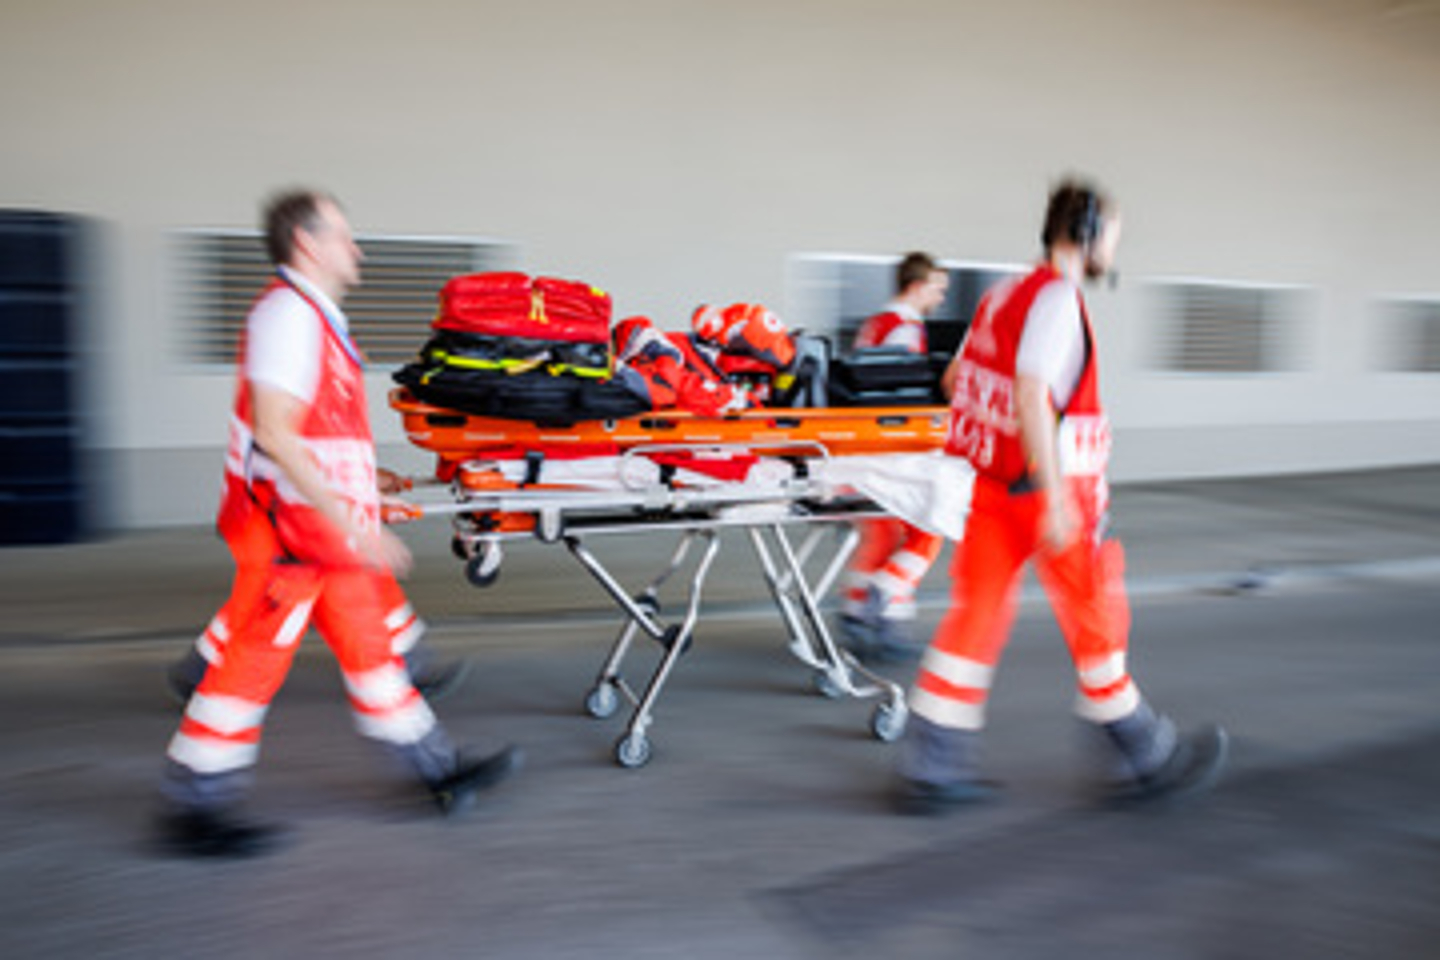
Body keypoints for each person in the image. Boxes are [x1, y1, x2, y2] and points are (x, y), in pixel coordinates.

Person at [155, 190, 520, 857]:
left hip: (320, 530)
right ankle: (192, 806)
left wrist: (365, 487)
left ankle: (438, 772)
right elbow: (276, 432)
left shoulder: (314, 319)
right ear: (306, 243)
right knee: (250, 667)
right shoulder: (287, 318)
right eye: (344, 237)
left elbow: (319, 435)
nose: (357, 250)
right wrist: (358, 527)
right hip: (291, 532)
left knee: (374, 658)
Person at [894, 180, 1227, 814]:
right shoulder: (1056, 298)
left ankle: (930, 764)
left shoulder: (1003, 293)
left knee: (975, 616)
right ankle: (1142, 751)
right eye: (1114, 237)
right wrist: (1055, 496)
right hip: (1046, 491)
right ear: (1090, 232)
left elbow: (954, 376)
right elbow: (1029, 390)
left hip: (993, 488)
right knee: (1096, 616)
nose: (1114, 250)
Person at [165, 467, 470, 707]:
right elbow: (293, 448)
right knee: (269, 601)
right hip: (283, 504)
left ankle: (408, 665)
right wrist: (356, 496)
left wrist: (363, 482)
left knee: (361, 579)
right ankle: (202, 681)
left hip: (289, 500)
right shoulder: (298, 390)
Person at [839, 252, 950, 662]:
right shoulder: (904, 329)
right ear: (917, 286)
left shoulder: (875, 323)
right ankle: (883, 602)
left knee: (882, 535)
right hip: (891, 451)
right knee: (930, 526)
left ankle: (858, 611)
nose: (940, 298)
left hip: (861, 449)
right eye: (937, 288)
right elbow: (901, 395)